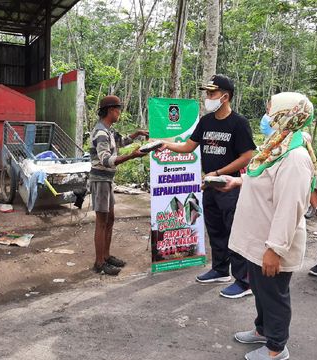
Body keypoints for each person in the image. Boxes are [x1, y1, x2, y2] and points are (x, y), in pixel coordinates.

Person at [224, 92, 316, 360]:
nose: (266, 116)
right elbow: (266, 181)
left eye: (270, 110)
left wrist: (275, 249)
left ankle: (277, 347)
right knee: (262, 291)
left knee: (274, 295)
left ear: (286, 114)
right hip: (257, 239)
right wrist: (238, 182)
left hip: (271, 242)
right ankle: (262, 330)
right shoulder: (276, 147)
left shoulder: (295, 157)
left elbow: (290, 207)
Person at [160, 74, 256, 298]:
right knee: (215, 229)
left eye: (212, 93)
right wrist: (165, 144)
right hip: (210, 185)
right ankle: (220, 269)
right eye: (207, 93)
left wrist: (219, 172)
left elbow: (247, 156)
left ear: (225, 96)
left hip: (229, 185)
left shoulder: (239, 123)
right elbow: (188, 146)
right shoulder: (206, 121)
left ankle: (244, 282)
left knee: (234, 232)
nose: (208, 97)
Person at [89, 95, 148, 276]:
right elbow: (106, 160)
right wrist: (132, 156)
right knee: (101, 222)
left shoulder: (109, 130)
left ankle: (106, 256)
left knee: (110, 219)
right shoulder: (100, 132)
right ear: (111, 111)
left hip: (107, 181)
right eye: (118, 110)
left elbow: (121, 141)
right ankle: (99, 263)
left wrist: (137, 134)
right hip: (100, 180)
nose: (120, 113)